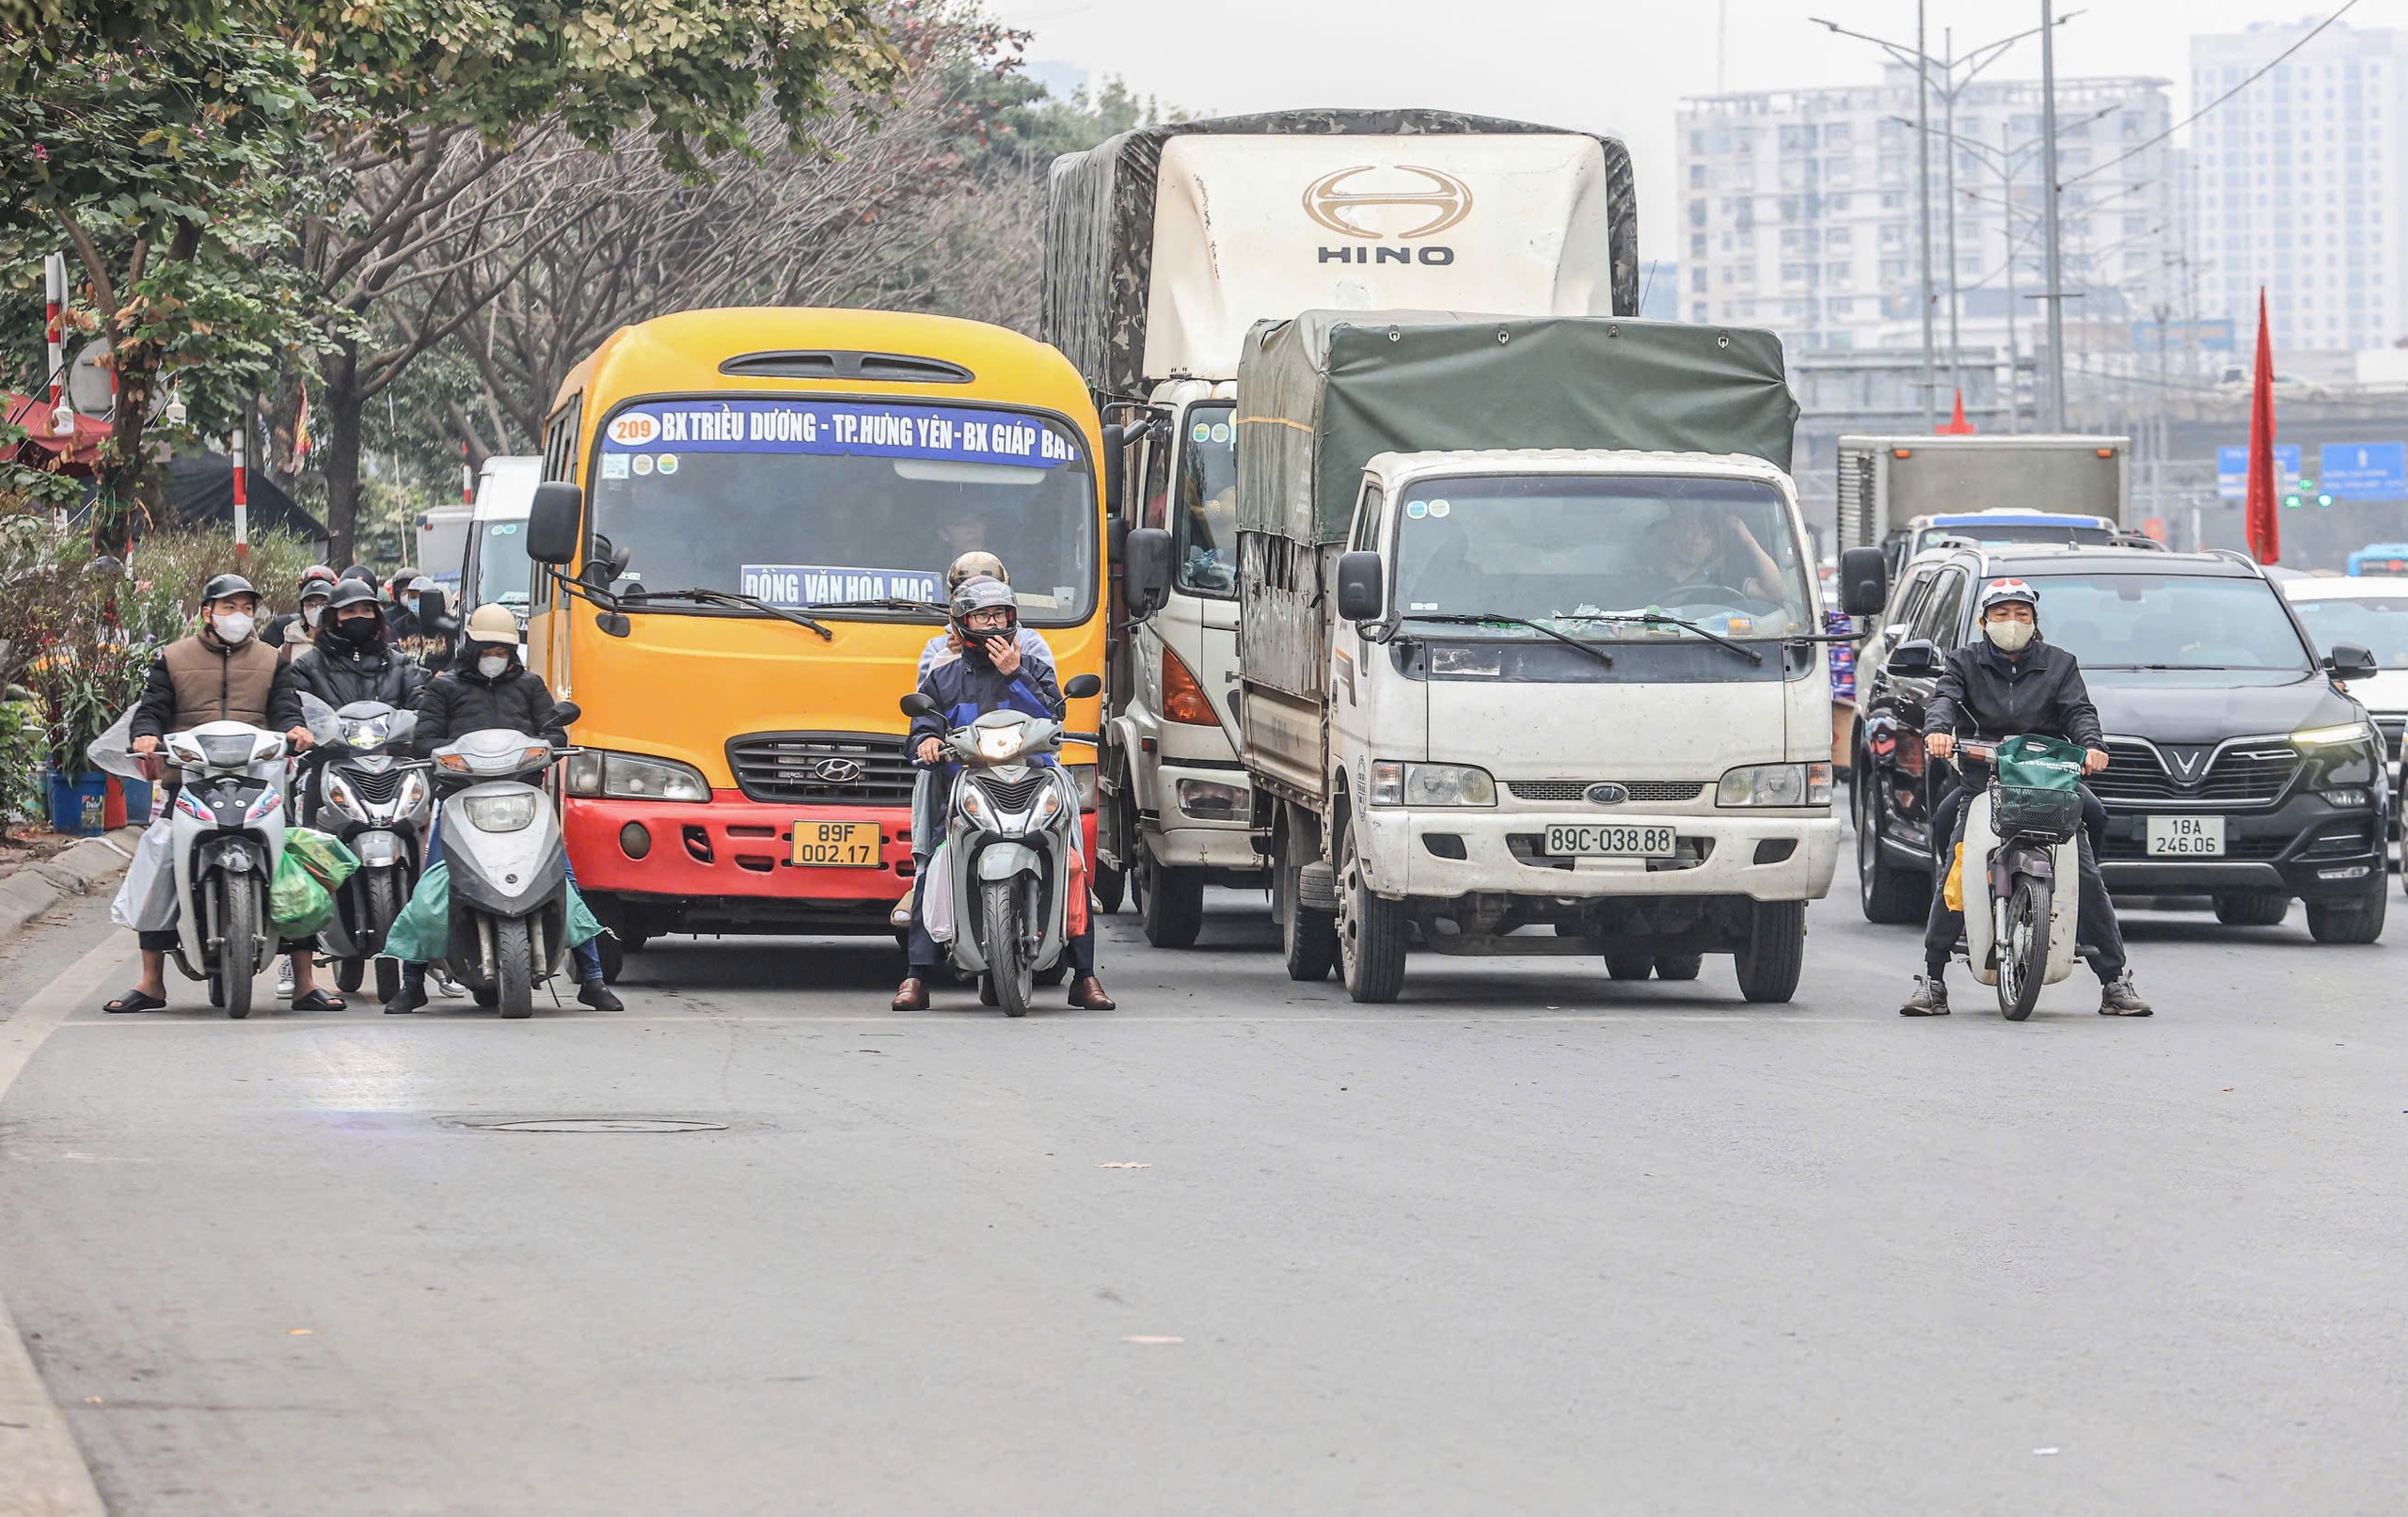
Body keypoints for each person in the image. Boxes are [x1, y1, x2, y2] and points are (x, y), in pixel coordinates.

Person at [1904, 577, 2150, 1018]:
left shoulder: (2060, 664)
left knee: (2087, 870)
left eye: (2021, 615)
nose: (2012, 623)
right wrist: (1938, 732)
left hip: (2048, 783)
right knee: (1955, 869)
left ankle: (2114, 982)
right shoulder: (1962, 663)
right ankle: (1933, 979)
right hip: (1986, 783)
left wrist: (2093, 746)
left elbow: (2079, 711)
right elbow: (1944, 699)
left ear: (2035, 622)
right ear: (1983, 621)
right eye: (2001, 615)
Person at [104, 574, 334, 1013]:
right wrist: (147, 737)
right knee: (159, 857)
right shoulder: (172, 658)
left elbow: (285, 707)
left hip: (259, 778)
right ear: (207, 612)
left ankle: (304, 981)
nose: (239, 616)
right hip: (189, 779)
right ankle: (152, 981)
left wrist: (295, 730)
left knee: (293, 861)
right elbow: (152, 709)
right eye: (229, 607)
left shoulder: (271, 659)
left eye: (246, 608)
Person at [380, 603, 621, 1014]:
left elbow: (553, 731)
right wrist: (443, 757)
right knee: (433, 887)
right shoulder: (444, 688)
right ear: (471, 646)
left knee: (564, 880)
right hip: (460, 798)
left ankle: (592, 978)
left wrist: (548, 744)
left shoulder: (529, 686)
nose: (496, 657)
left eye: (503, 650)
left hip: (523, 798)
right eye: (488, 649)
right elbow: (425, 740)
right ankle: (413, 981)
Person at [893, 577, 1114, 1012]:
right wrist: (927, 742)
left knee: (1070, 863)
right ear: (962, 624)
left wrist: (1017, 674)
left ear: (1013, 620)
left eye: (999, 615)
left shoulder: (1033, 668)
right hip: (968, 786)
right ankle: (916, 975)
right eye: (982, 616)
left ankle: (1085, 975)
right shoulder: (943, 678)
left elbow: (1054, 719)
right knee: (936, 863)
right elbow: (922, 725)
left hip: (1030, 782)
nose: (992, 624)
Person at [289, 577, 432, 710]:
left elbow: (421, 708)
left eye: (366, 610)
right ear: (335, 618)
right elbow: (295, 711)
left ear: (376, 616)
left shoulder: (399, 664)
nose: (359, 616)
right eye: (349, 611)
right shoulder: (307, 667)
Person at [1656, 504, 1784, 603]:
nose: (1697, 540)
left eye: (1707, 535)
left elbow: (1774, 592)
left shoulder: (1723, 580)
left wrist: (1749, 541)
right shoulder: (1646, 576)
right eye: (1690, 529)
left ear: (1714, 545)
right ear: (1676, 532)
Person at [262, 564, 338, 653]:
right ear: (303, 606)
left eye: (324, 603)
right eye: (311, 603)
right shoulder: (284, 631)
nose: (318, 609)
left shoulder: (344, 641)